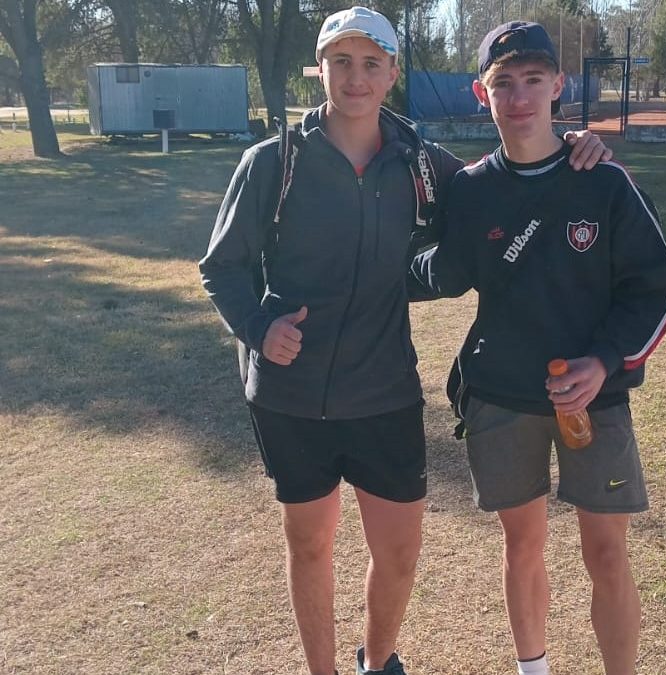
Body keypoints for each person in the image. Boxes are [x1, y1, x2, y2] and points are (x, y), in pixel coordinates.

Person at [198, 7, 611, 675]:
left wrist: (573, 148)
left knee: (397, 554)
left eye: (371, 63)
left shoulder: (420, 161)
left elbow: (498, 187)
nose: (355, 78)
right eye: (340, 62)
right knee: (310, 545)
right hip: (290, 395)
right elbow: (220, 267)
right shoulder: (274, 162)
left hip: (384, 390)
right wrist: (257, 326)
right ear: (320, 69)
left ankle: (378, 661)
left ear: (392, 73)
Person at [409, 21, 666, 675]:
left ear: (559, 85)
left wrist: (604, 361)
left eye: (534, 79)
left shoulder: (602, 180)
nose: (520, 96)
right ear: (482, 93)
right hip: (501, 396)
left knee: (607, 553)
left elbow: (655, 287)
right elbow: (440, 269)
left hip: (595, 398)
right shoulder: (470, 188)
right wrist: (358, 269)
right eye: (503, 83)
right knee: (521, 545)